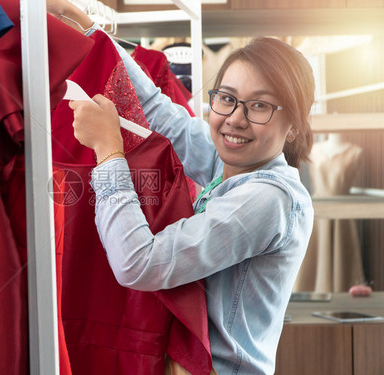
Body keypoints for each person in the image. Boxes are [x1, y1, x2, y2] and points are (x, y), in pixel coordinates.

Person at [48, 3, 315, 374]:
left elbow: (139, 264)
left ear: (296, 125)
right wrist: (92, 32)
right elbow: (158, 110)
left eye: (259, 106)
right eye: (226, 98)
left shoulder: (270, 199)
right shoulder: (235, 165)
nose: (235, 119)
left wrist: (108, 151)